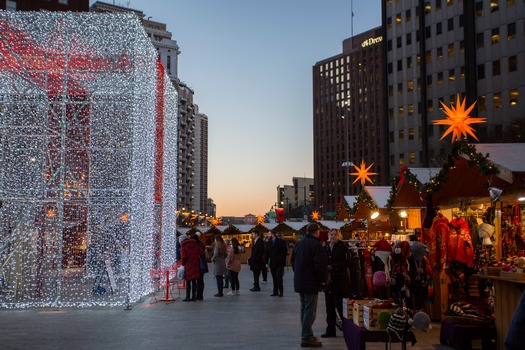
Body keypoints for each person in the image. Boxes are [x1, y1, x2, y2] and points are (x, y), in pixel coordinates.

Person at [292, 223, 328, 348]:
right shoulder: (316, 245)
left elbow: (293, 261)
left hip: (300, 281)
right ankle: (306, 337)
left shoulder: (299, 244)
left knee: (304, 308)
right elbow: (320, 265)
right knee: (310, 311)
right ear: (317, 232)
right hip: (311, 282)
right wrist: (323, 280)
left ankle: (307, 334)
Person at [321, 229, 350, 337]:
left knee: (340, 307)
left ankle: (347, 329)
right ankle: (330, 330)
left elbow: (347, 262)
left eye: (335, 235)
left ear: (339, 236)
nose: (333, 236)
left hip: (340, 282)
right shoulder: (325, 248)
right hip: (329, 282)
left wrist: (333, 267)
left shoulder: (343, 247)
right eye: (331, 234)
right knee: (329, 308)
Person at [180, 234, 203, 301]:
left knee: (188, 282)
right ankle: (193, 296)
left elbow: (183, 257)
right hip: (195, 265)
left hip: (188, 265)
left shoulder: (183, 246)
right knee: (194, 281)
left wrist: (182, 264)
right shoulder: (195, 244)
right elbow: (201, 252)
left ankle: (187, 297)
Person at [267, 229, 288, 297]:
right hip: (272, 262)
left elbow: (284, 250)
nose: (268, 235)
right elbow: (267, 252)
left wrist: (280, 258)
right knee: (274, 277)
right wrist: (267, 262)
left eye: (269, 234)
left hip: (279, 262)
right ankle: (275, 291)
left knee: (279, 277)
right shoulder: (269, 242)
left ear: (273, 234)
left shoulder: (280, 241)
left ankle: (281, 291)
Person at [191, 233, 208, 300]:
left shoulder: (194, 246)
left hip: (196, 264)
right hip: (202, 264)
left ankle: (195, 295)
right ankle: (200, 295)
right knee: (201, 280)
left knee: (195, 281)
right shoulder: (202, 245)